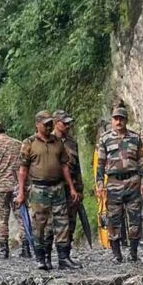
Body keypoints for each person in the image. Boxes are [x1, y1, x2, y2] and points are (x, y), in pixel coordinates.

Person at [16, 110, 81, 270]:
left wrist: (72, 188)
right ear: (37, 125)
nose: (49, 126)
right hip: (39, 188)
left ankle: (63, 258)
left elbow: (65, 166)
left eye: (50, 123)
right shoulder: (29, 143)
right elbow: (23, 169)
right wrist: (21, 192)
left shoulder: (58, 142)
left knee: (62, 223)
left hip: (58, 187)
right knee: (40, 224)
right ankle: (41, 259)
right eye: (45, 124)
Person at [96, 102, 143, 263]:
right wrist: (99, 183)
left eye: (121, 119)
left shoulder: (135, 138)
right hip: (113, 183)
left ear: (126, 120)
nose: (119, 122)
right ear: (112, 120)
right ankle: (116, 254)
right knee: (114, 219)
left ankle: (133, 253)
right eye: (116, 119)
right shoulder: (105, 139)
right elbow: (100, 163)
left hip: (133, 181)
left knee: (135, 219)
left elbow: (141, 161)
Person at [0, 121, 29, 258]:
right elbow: (25, 164)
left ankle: (4, 249)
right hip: (17, 186)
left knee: (1, 218)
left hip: (0, 187)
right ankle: (26, 247)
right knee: (21, 216)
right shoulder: (18, 144)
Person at [47, 110, 83, 256]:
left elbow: (77, 167)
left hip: (70, 188)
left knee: (70, 222)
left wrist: (79, 189)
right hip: (53, 188)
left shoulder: (72, 143)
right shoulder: (48, 141)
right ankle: (46, 256)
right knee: (50, 224)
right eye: (65, 123)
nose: (68, 126)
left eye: (69, 123)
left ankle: (65, 255)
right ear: (56, 123)